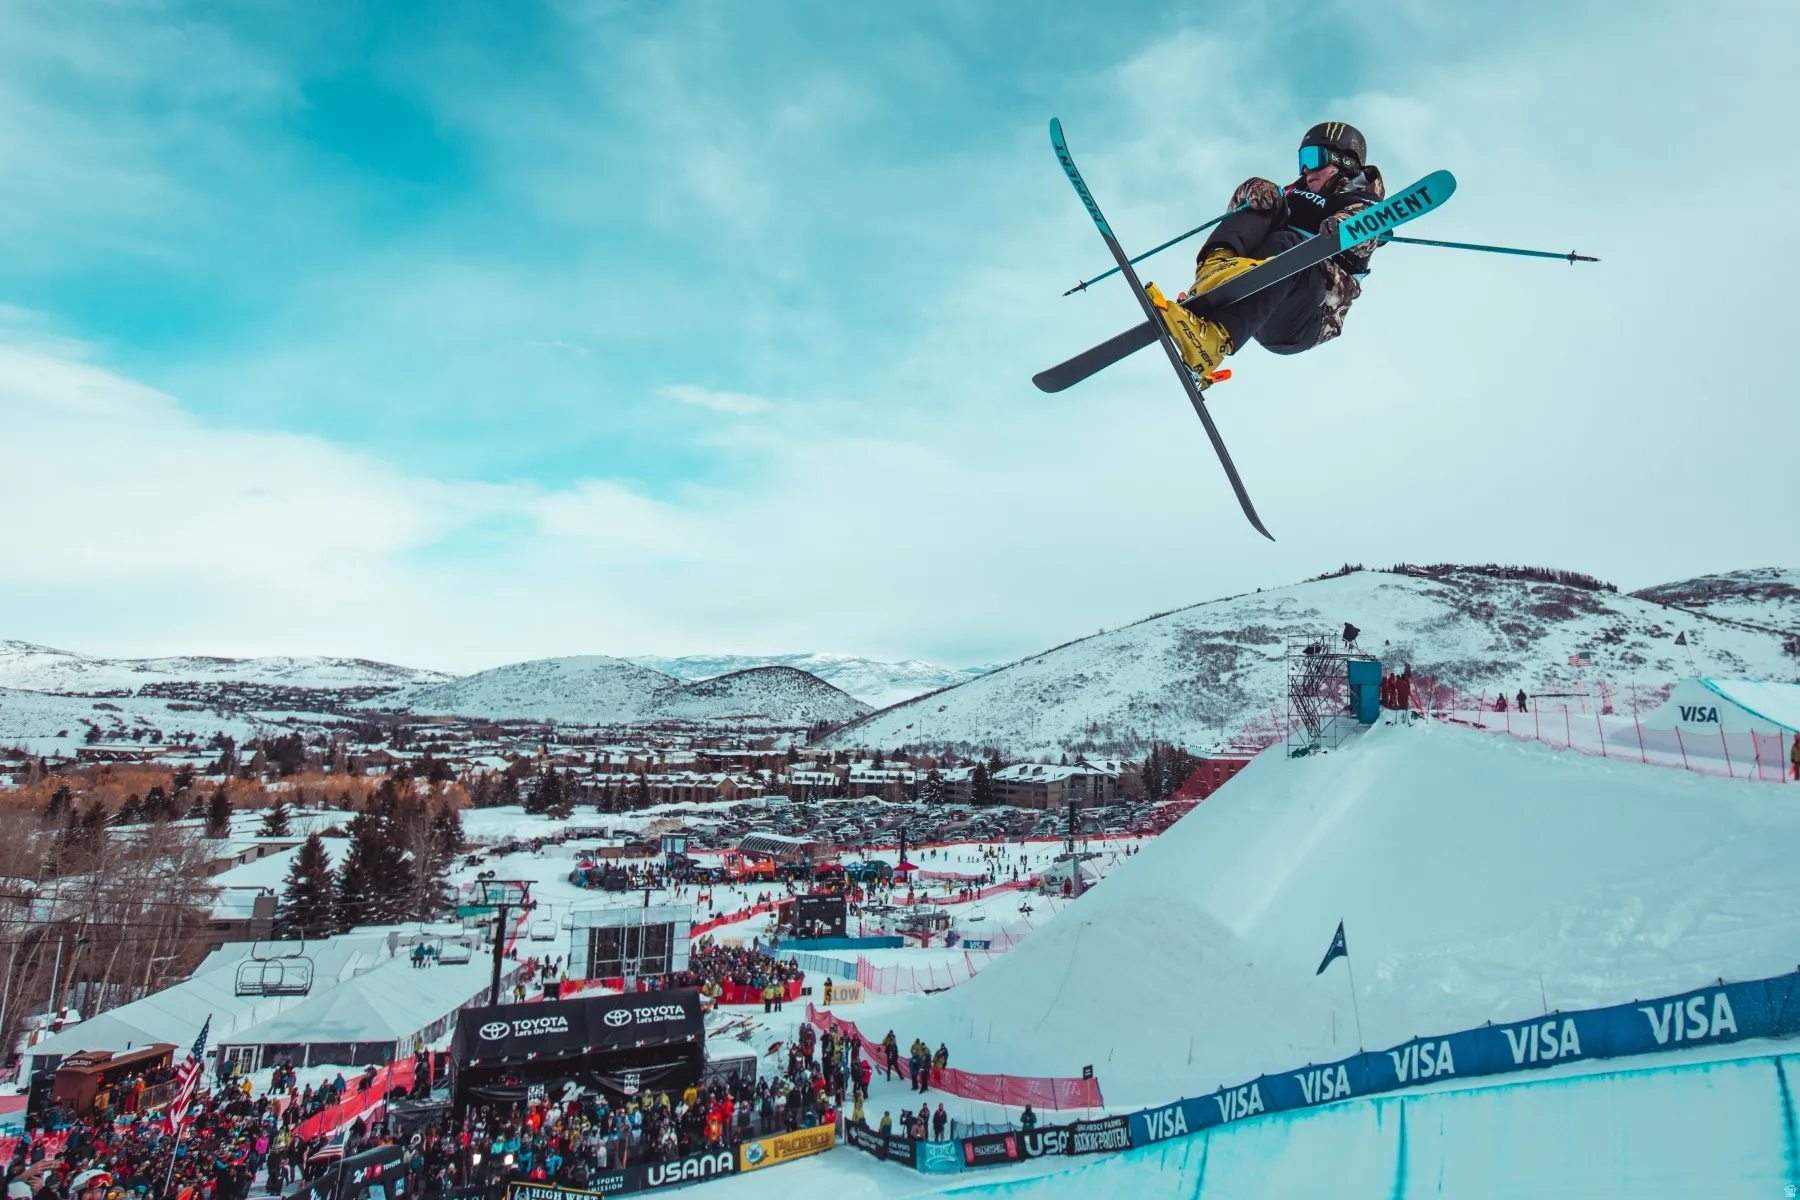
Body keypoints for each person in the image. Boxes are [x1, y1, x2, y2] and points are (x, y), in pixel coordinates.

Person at [1149, 122, 1386, 388]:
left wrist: (1345, 226)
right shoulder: (1293, 194)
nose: (1306, 170)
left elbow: (1367, 235)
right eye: (1302, 161)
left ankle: (1218, 337)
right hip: (1258, 301)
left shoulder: (1364, 204)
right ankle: (1214, 273)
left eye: (1313, 159)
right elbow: (1239, 213)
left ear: (1342, 160)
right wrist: (1252, 188)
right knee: (1266, 201)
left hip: (1304, 320)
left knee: (1289, 244)